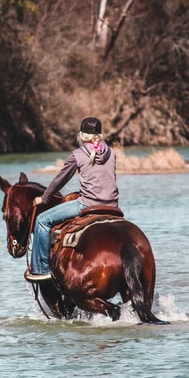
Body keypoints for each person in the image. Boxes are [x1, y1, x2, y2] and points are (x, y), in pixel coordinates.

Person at [25, 116, 119, 282]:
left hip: (87, 204)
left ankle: (41, 269)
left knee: (42, 221)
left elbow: (60, 180)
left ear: (82, 135)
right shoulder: (111, 153)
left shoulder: (78, 154)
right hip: (113, 206)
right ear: (100, 134)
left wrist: (44, 198)